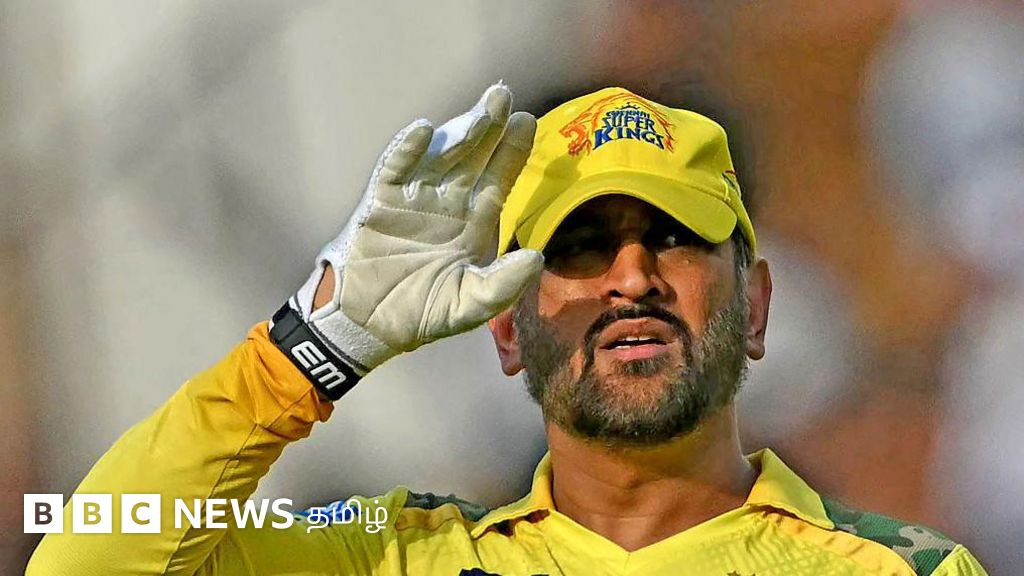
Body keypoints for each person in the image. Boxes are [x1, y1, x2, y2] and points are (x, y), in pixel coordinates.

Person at [26, 84, 987, 575]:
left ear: (759, 305)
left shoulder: (906, 570)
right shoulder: (396, 554)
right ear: (506, 333)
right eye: (580, 247)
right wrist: (314, 344)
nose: (632, 279)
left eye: (674, 238)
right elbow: (88, 552)